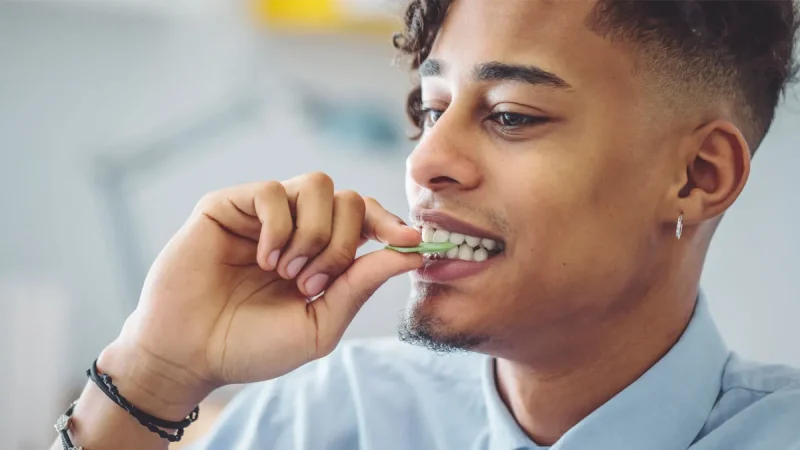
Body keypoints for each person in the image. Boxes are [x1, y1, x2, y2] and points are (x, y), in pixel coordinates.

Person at [51, 1, 800, 449]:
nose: (426, 162)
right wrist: (154, 376)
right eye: (430, 110)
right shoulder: (332, 420)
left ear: (699, 176)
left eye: (510, 114)